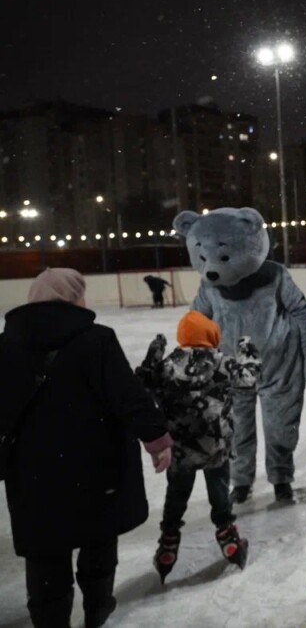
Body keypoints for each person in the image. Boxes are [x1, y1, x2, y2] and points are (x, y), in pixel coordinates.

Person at [0, 268, 172, 628]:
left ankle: (50, 619)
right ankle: (96, 611)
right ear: (73, 298)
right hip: (97, 467)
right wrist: (157, 441)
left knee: (45, 553)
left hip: (33, 473)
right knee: (98, 542)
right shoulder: (97, 340)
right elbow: (129, 398)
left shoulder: (5, 346)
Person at [135, 311, 261, 582]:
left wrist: (152, 358)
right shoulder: (220, 362)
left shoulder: (169, 365)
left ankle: (169, 539)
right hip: (215, 446)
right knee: (218, 490)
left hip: (179, 449)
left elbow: (143, 387)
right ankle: (227, 534)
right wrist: (246, 349)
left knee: (177, 493)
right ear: (211, 336)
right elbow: (249, 379)